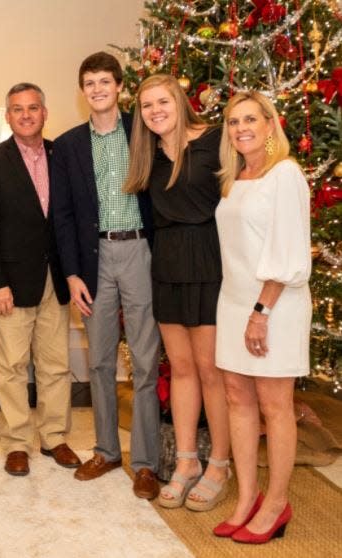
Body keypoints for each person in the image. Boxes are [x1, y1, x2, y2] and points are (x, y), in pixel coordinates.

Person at [50, 52, 160, 498]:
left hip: (140, 252)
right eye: (89, 83)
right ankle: (107, 451)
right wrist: (72, 274)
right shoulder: (69, 144)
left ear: (119, 87)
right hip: (93, 260)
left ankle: (147, 462)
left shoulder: (144, 131)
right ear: (83, 91)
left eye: (104, 81)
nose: (97, 89)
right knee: (98, 360)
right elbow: (62, 215)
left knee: (146, 359)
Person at [123, 73, 230, 510]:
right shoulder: (149, 156)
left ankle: (219, 464)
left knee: (211, 371)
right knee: (181, 368)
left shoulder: (215, 140)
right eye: (147, 106)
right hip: (167, 262)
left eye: (162, 101)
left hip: (209, 259)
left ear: (180, 101)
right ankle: (186, 463)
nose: (155, 111)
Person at [212, 91, 310, 544]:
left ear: (271, 124)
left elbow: (286, 250)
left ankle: (276, 501)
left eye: (250, 119)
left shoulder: (285, 175)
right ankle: (247, 496)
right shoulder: (236, 176)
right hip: (233, 300)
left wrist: (261, 312)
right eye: (233, 122)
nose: (240, 128)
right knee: (237, 398)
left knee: (275, 404)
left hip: (273, 305)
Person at [0, 82, 77, 477]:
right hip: (12, 283)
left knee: (56, 365)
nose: (26, 114)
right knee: (12, 366)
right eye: (18, 109)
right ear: (9, 116)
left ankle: (54, 437)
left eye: (33, 107)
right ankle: (17, 443)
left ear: (45, 113)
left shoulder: (60, 155)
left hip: (57, 278)